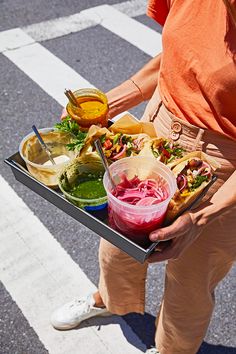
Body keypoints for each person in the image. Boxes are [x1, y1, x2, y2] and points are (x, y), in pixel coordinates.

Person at [51, 1, 236, 353]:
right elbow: (177, 55)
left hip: (223, 165)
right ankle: (110, 298)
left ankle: (173, 350)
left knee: (191, 281)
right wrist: (110, 102)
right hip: (157, 130)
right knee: (118, 238)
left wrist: (201, 216)